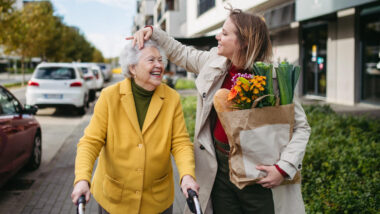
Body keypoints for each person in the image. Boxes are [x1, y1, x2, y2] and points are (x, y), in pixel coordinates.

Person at [128, 6, 311, 214]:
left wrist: (283, 168)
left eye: (224, 33)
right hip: (220, 171)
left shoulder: (275, 78)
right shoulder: (214, 62)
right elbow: (181, 52)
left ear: (243, 42)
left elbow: (301, 127)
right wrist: (153, 31)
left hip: (260, 177)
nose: (217, 36)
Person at [71, 40, 199, 214]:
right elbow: (90, 142)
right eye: (151, 60)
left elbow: (180, 142)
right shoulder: (110, 97)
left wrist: (187, 176)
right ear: (132, 68)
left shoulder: (171, 98)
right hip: (116, 200)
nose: (159, 65)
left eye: (160, 60)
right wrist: (82, 179)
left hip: (157, 201)